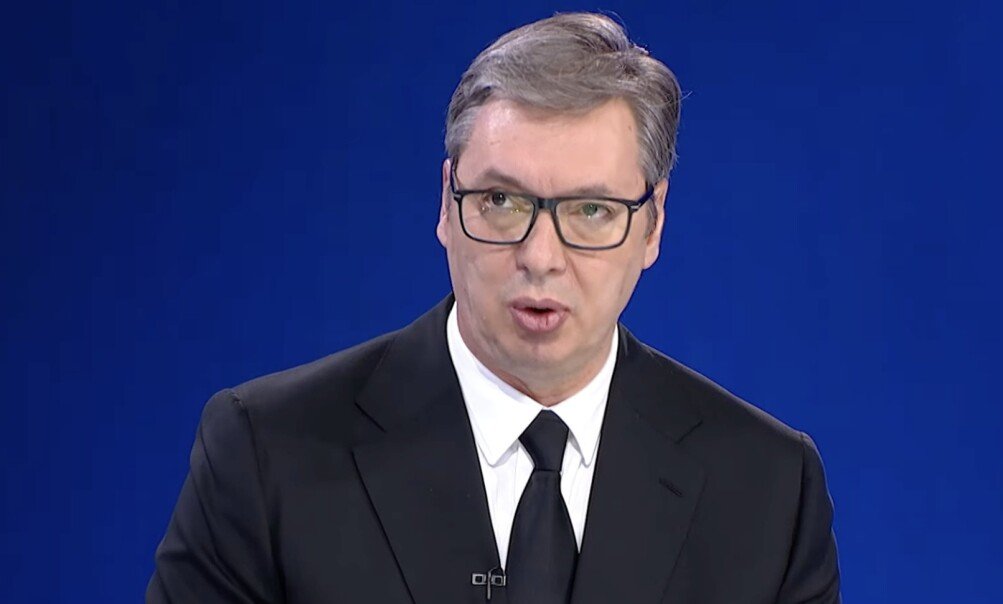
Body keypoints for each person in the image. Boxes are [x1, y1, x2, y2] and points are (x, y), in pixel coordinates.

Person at [148, 12, 840, 604]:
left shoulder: (769, 490)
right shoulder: (266, 454)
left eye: (591, 210)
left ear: (652, 224)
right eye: (501, 202)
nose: (540, 256)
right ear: (447, 203)